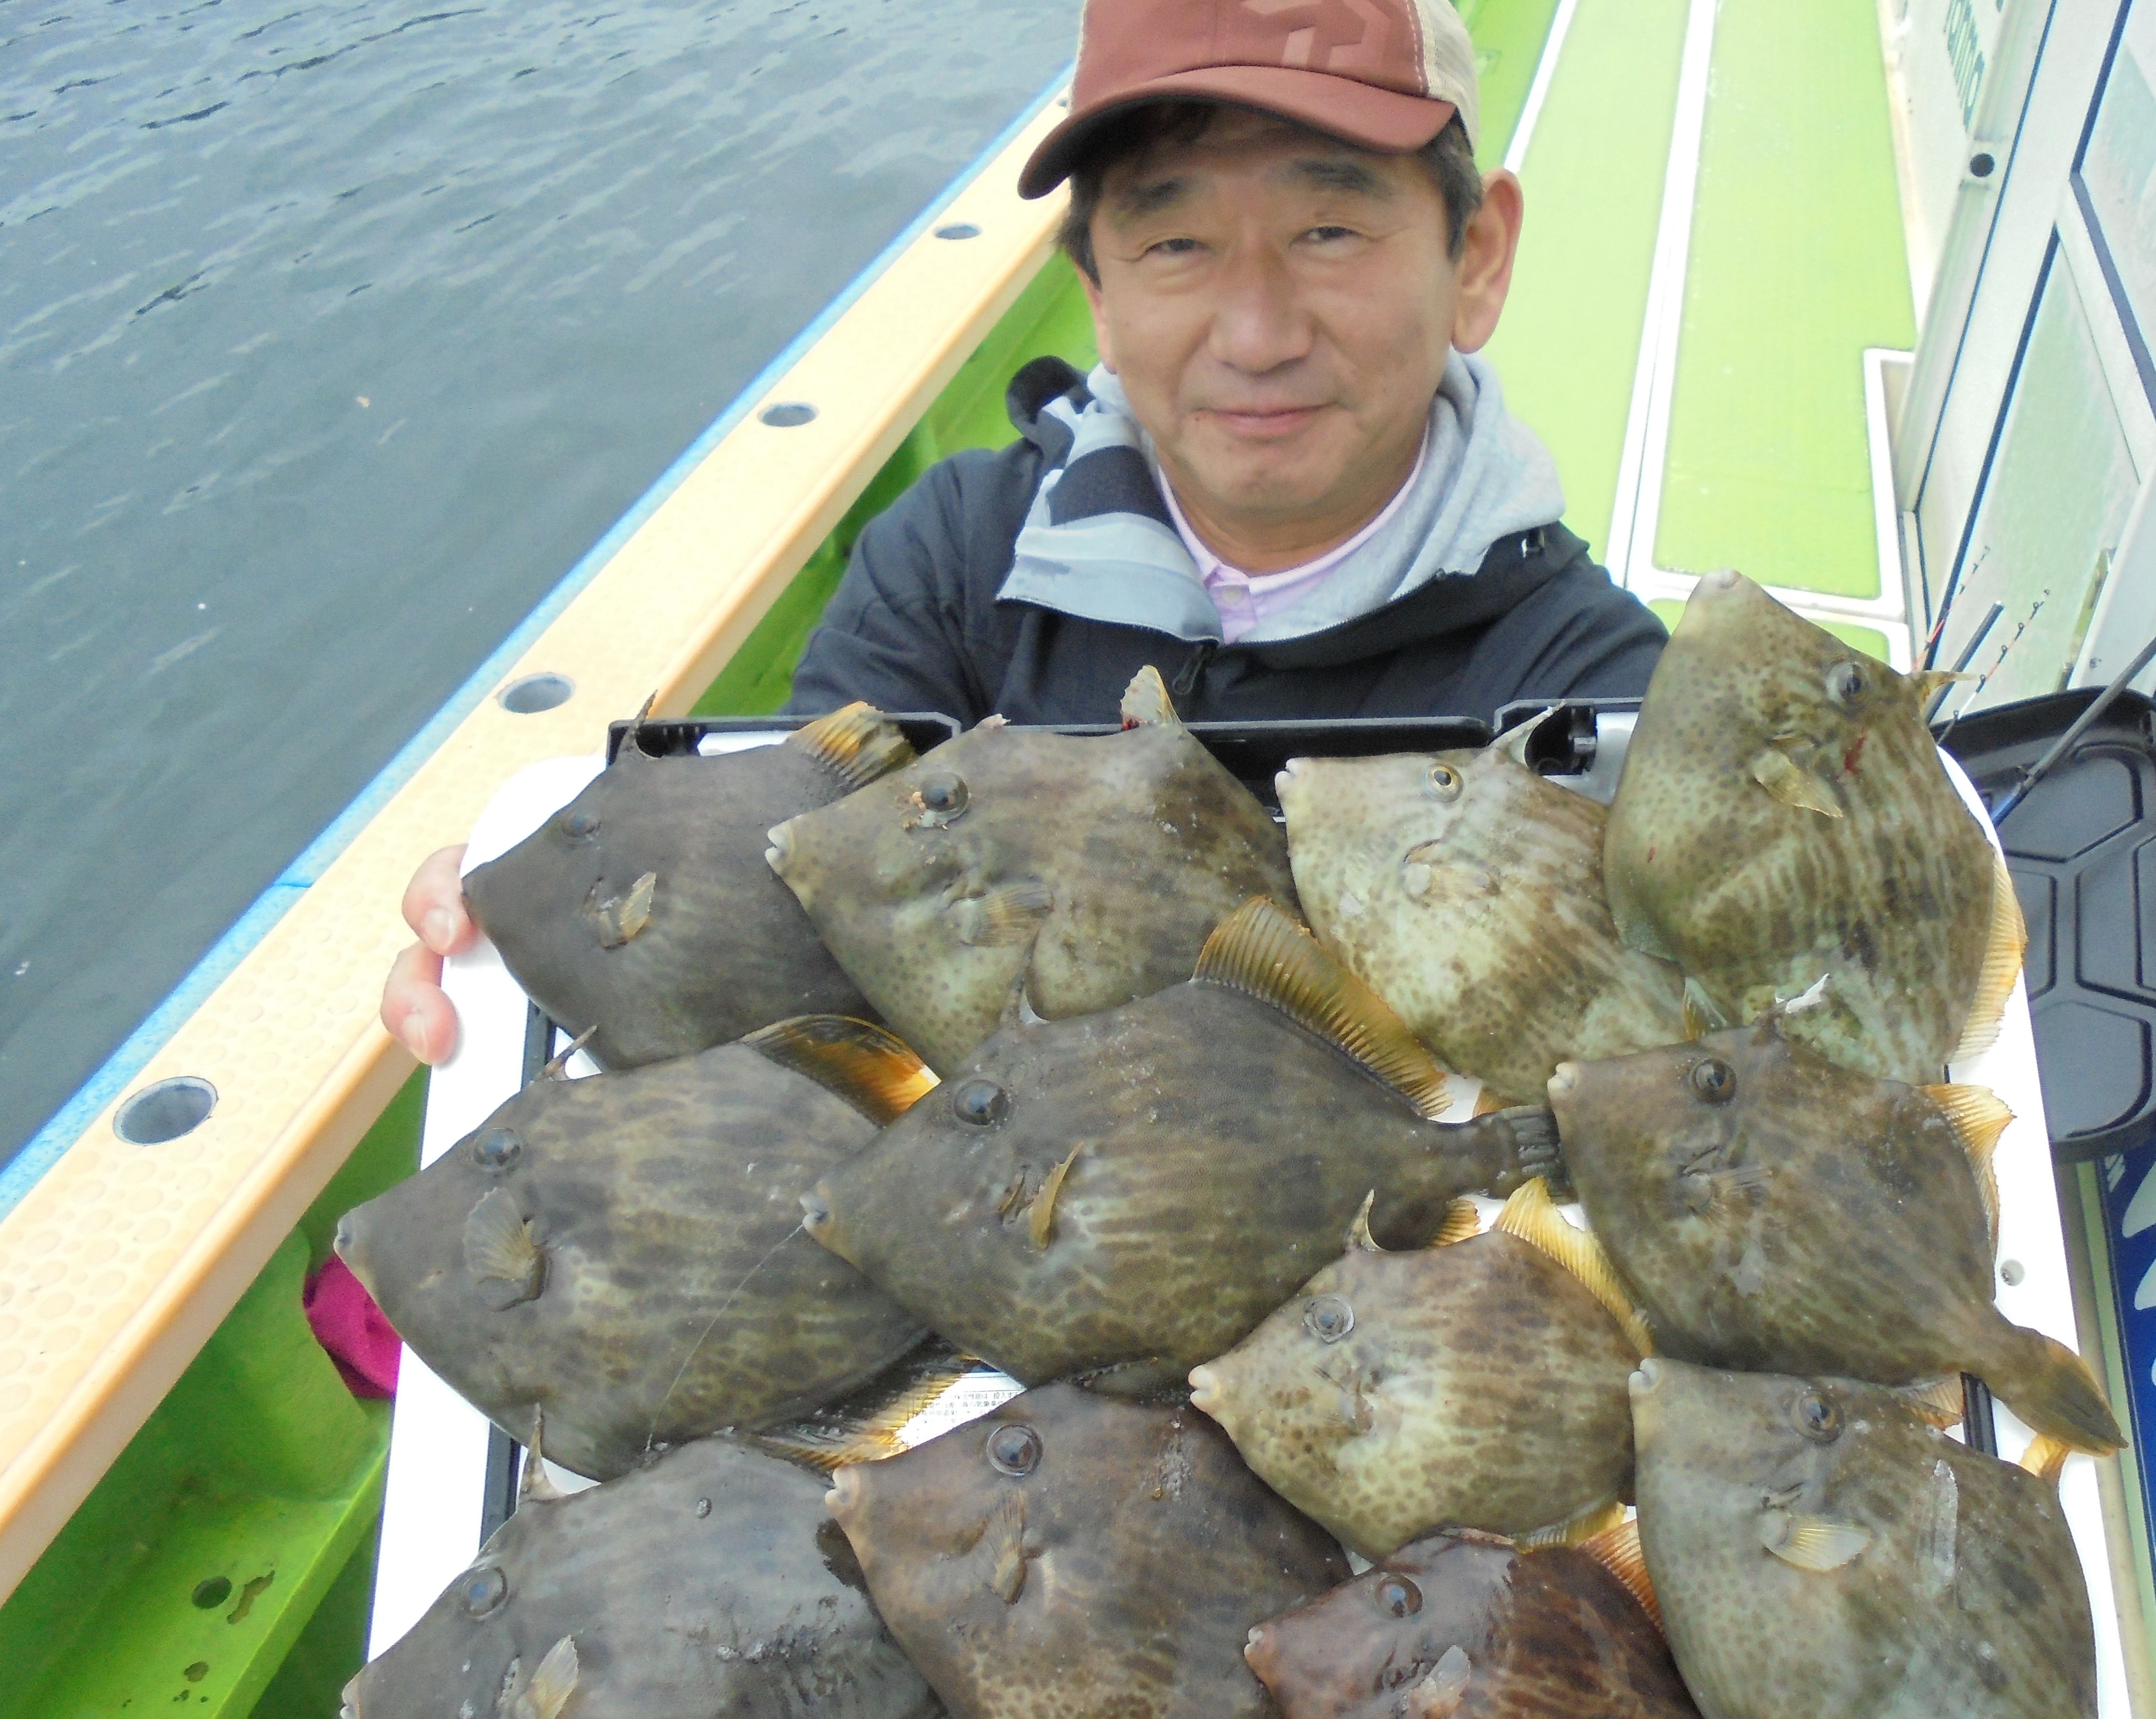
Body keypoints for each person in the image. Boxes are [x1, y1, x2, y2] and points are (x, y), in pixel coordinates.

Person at [382, 0, 1667, 1063]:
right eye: (1174, 242)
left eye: (1328, 230)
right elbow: (788, 909)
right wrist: (557, 922)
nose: (1257, 333)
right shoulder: (953, 563)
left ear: (1474, 257)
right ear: (1094, 293)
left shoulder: (1596, 699)